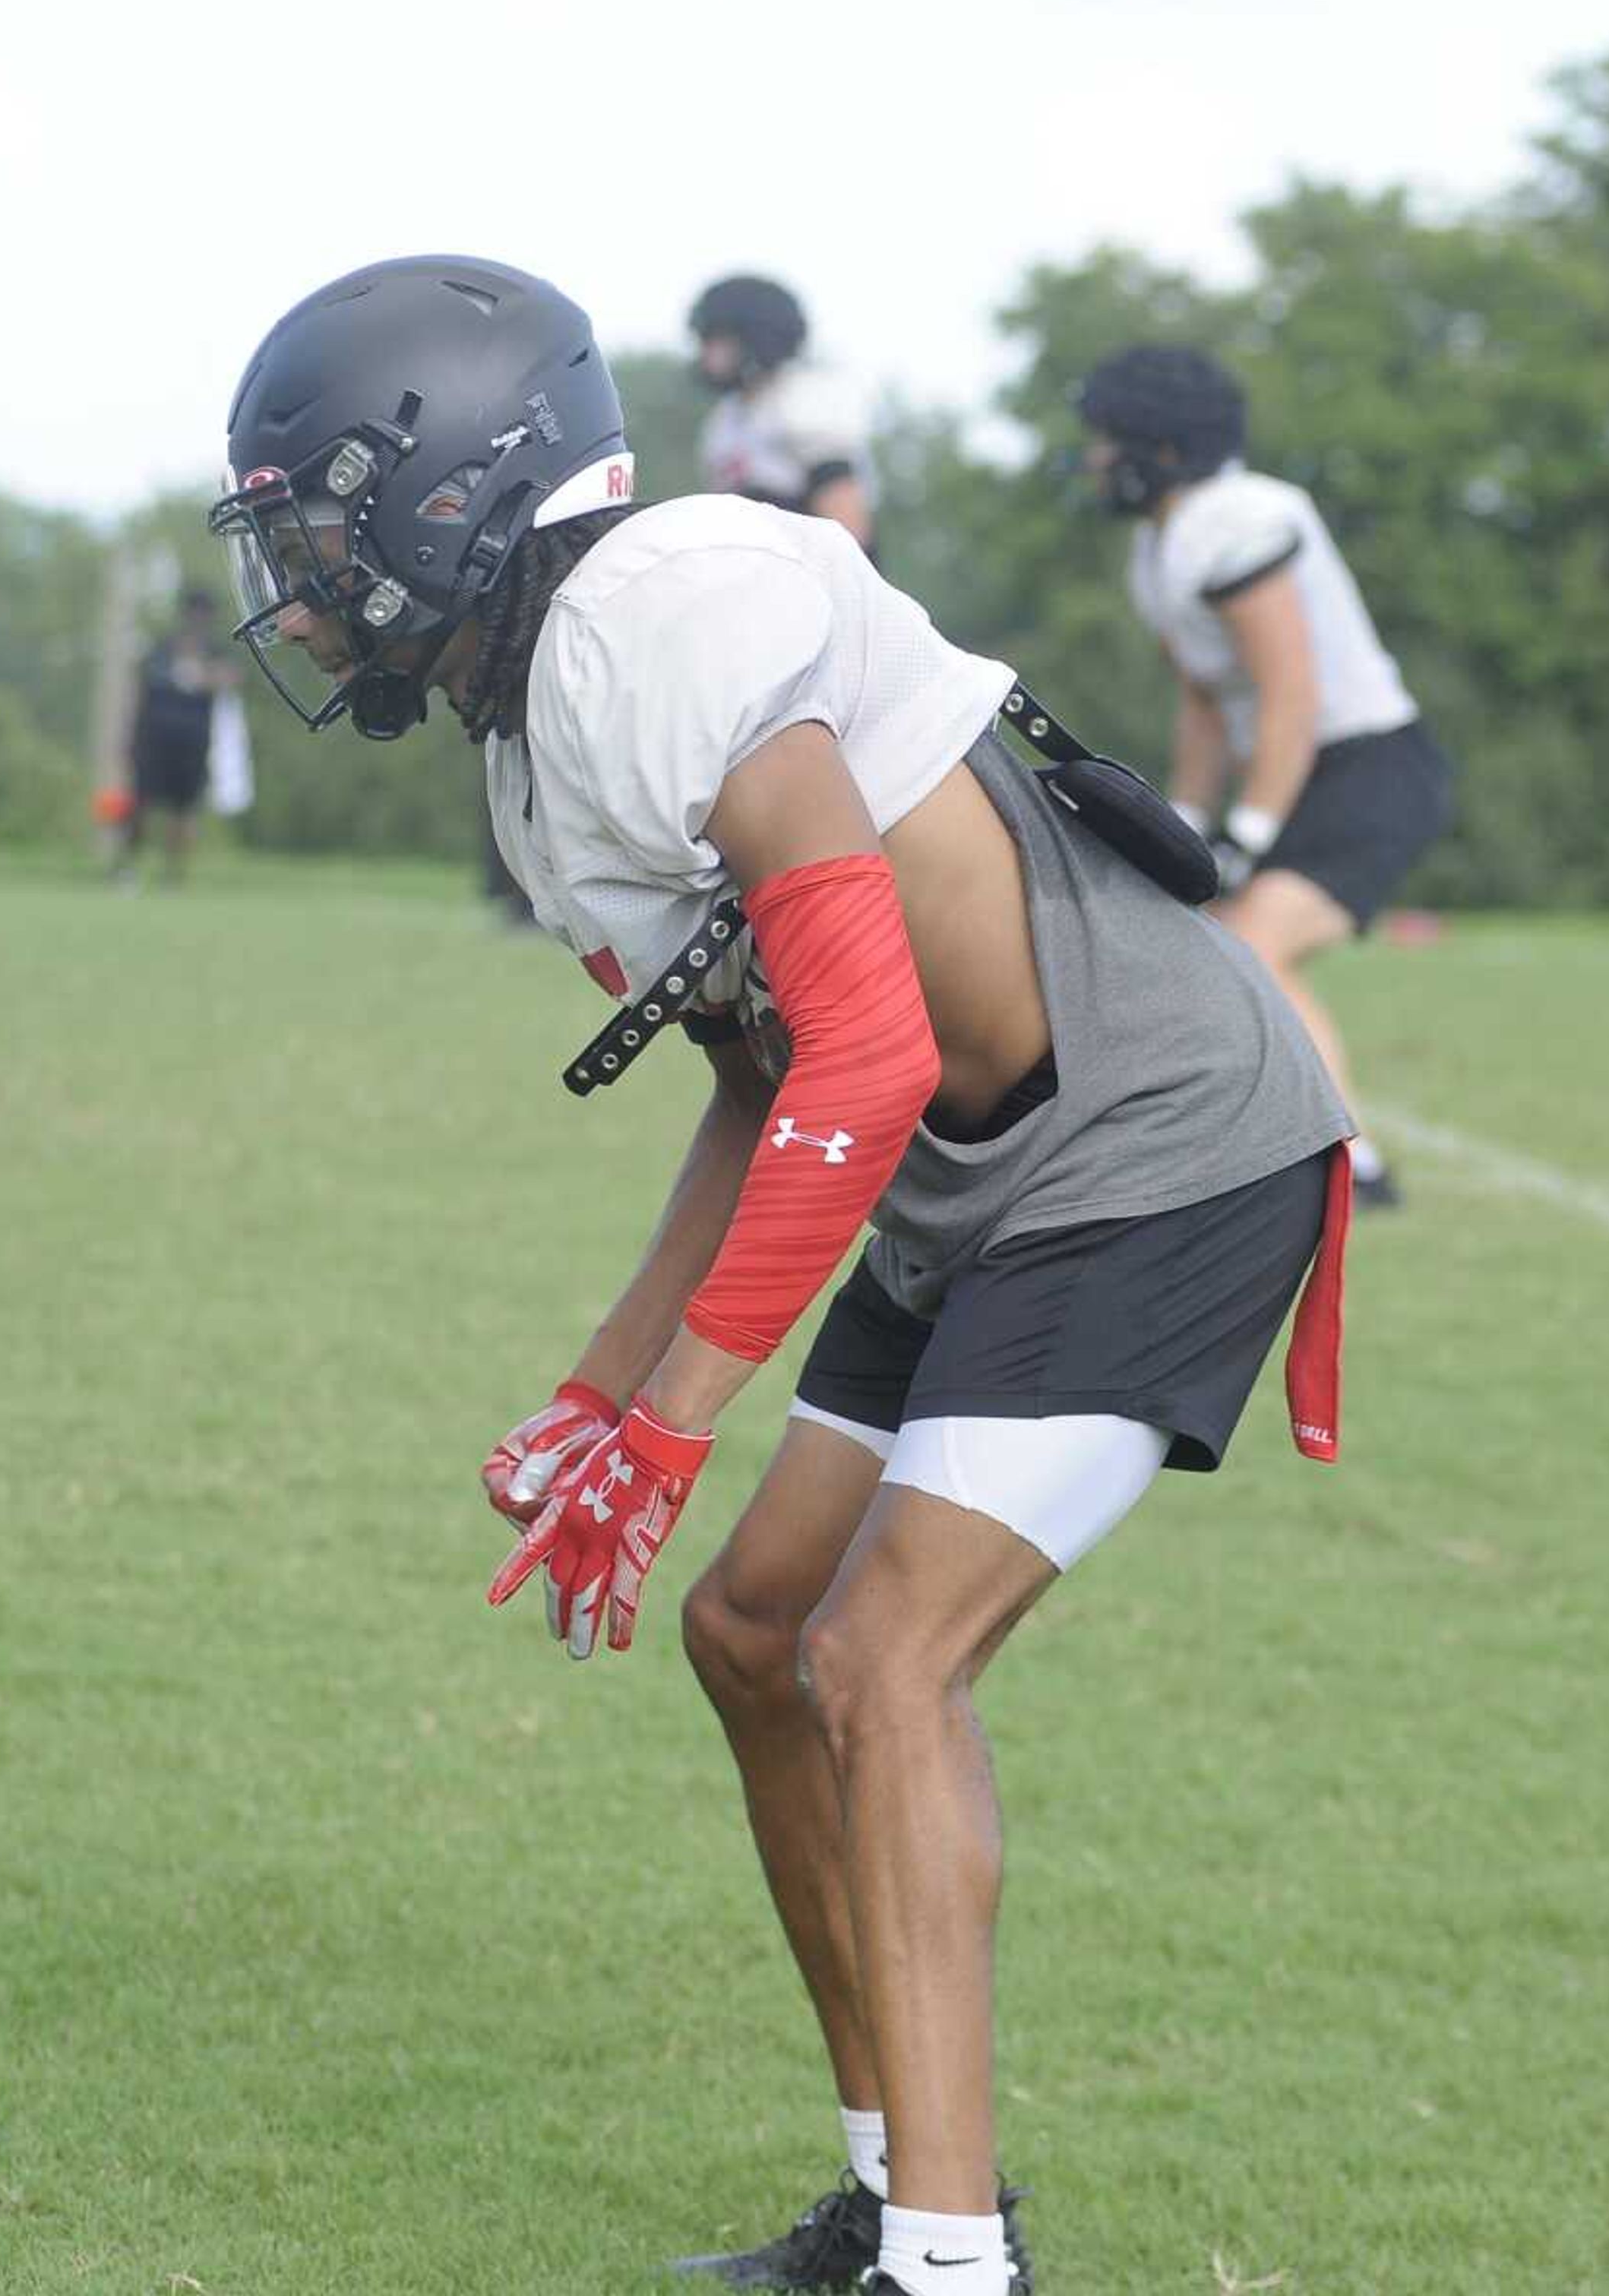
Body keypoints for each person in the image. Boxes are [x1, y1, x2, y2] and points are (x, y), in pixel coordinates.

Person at [211, 256, 1357, 2296]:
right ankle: (904, 2183)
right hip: (968, 1176)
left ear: (444, 494)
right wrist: (601, 1390)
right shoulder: (538, 742)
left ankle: (949, 2269)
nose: (292, 588)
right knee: (754, 1634)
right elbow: (761, 1079)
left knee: (876, 1657)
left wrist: (676, 1419)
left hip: (1156, 1140)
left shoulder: (670, 614)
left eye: (310, 530)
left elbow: (871, 1046)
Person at [1078, 345, 1454, 1209]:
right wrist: (1183, 816)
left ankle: (1353, 1166)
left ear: (1161, 449)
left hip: (1367, 765)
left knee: (1256, 945)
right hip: (1293, 769)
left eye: (1109, 440)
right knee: (1211, 950)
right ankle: (1232, 1141)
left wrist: (1244, 833)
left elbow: (1293, 692)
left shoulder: (1238, 517)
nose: (1095, 458)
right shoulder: (1158, 548)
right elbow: (1206, 703)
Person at [690, 275, 878, 555]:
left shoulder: (804, 399)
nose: (705, 354)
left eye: (715, 340)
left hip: (814, 571)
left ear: (754, 338)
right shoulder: (726, 420)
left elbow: (845, 523)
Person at [113, 587, 237, 887]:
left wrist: (201, 676)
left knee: (184, 811)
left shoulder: (216, 653)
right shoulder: (161, 651)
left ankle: (173, 876)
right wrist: (127, 736)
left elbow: (231, 679)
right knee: (139, 807)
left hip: (193, 743)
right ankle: (125, 870)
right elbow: (140, 692)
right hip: (153, 741)